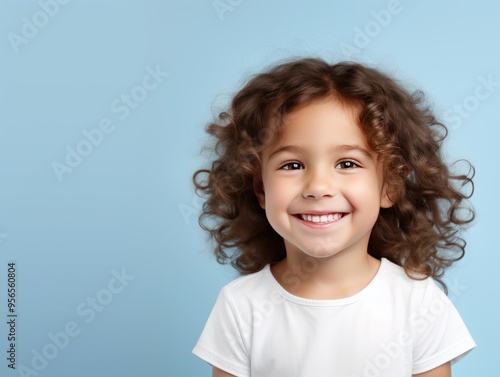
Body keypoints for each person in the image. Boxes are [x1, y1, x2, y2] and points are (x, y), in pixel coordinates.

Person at [192, 57, 476, 377]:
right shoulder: (241, 306)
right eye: (292, 165)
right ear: (261, 190)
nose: (318, 187)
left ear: (391, 185)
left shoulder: (418, 304)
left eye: (347, 163)